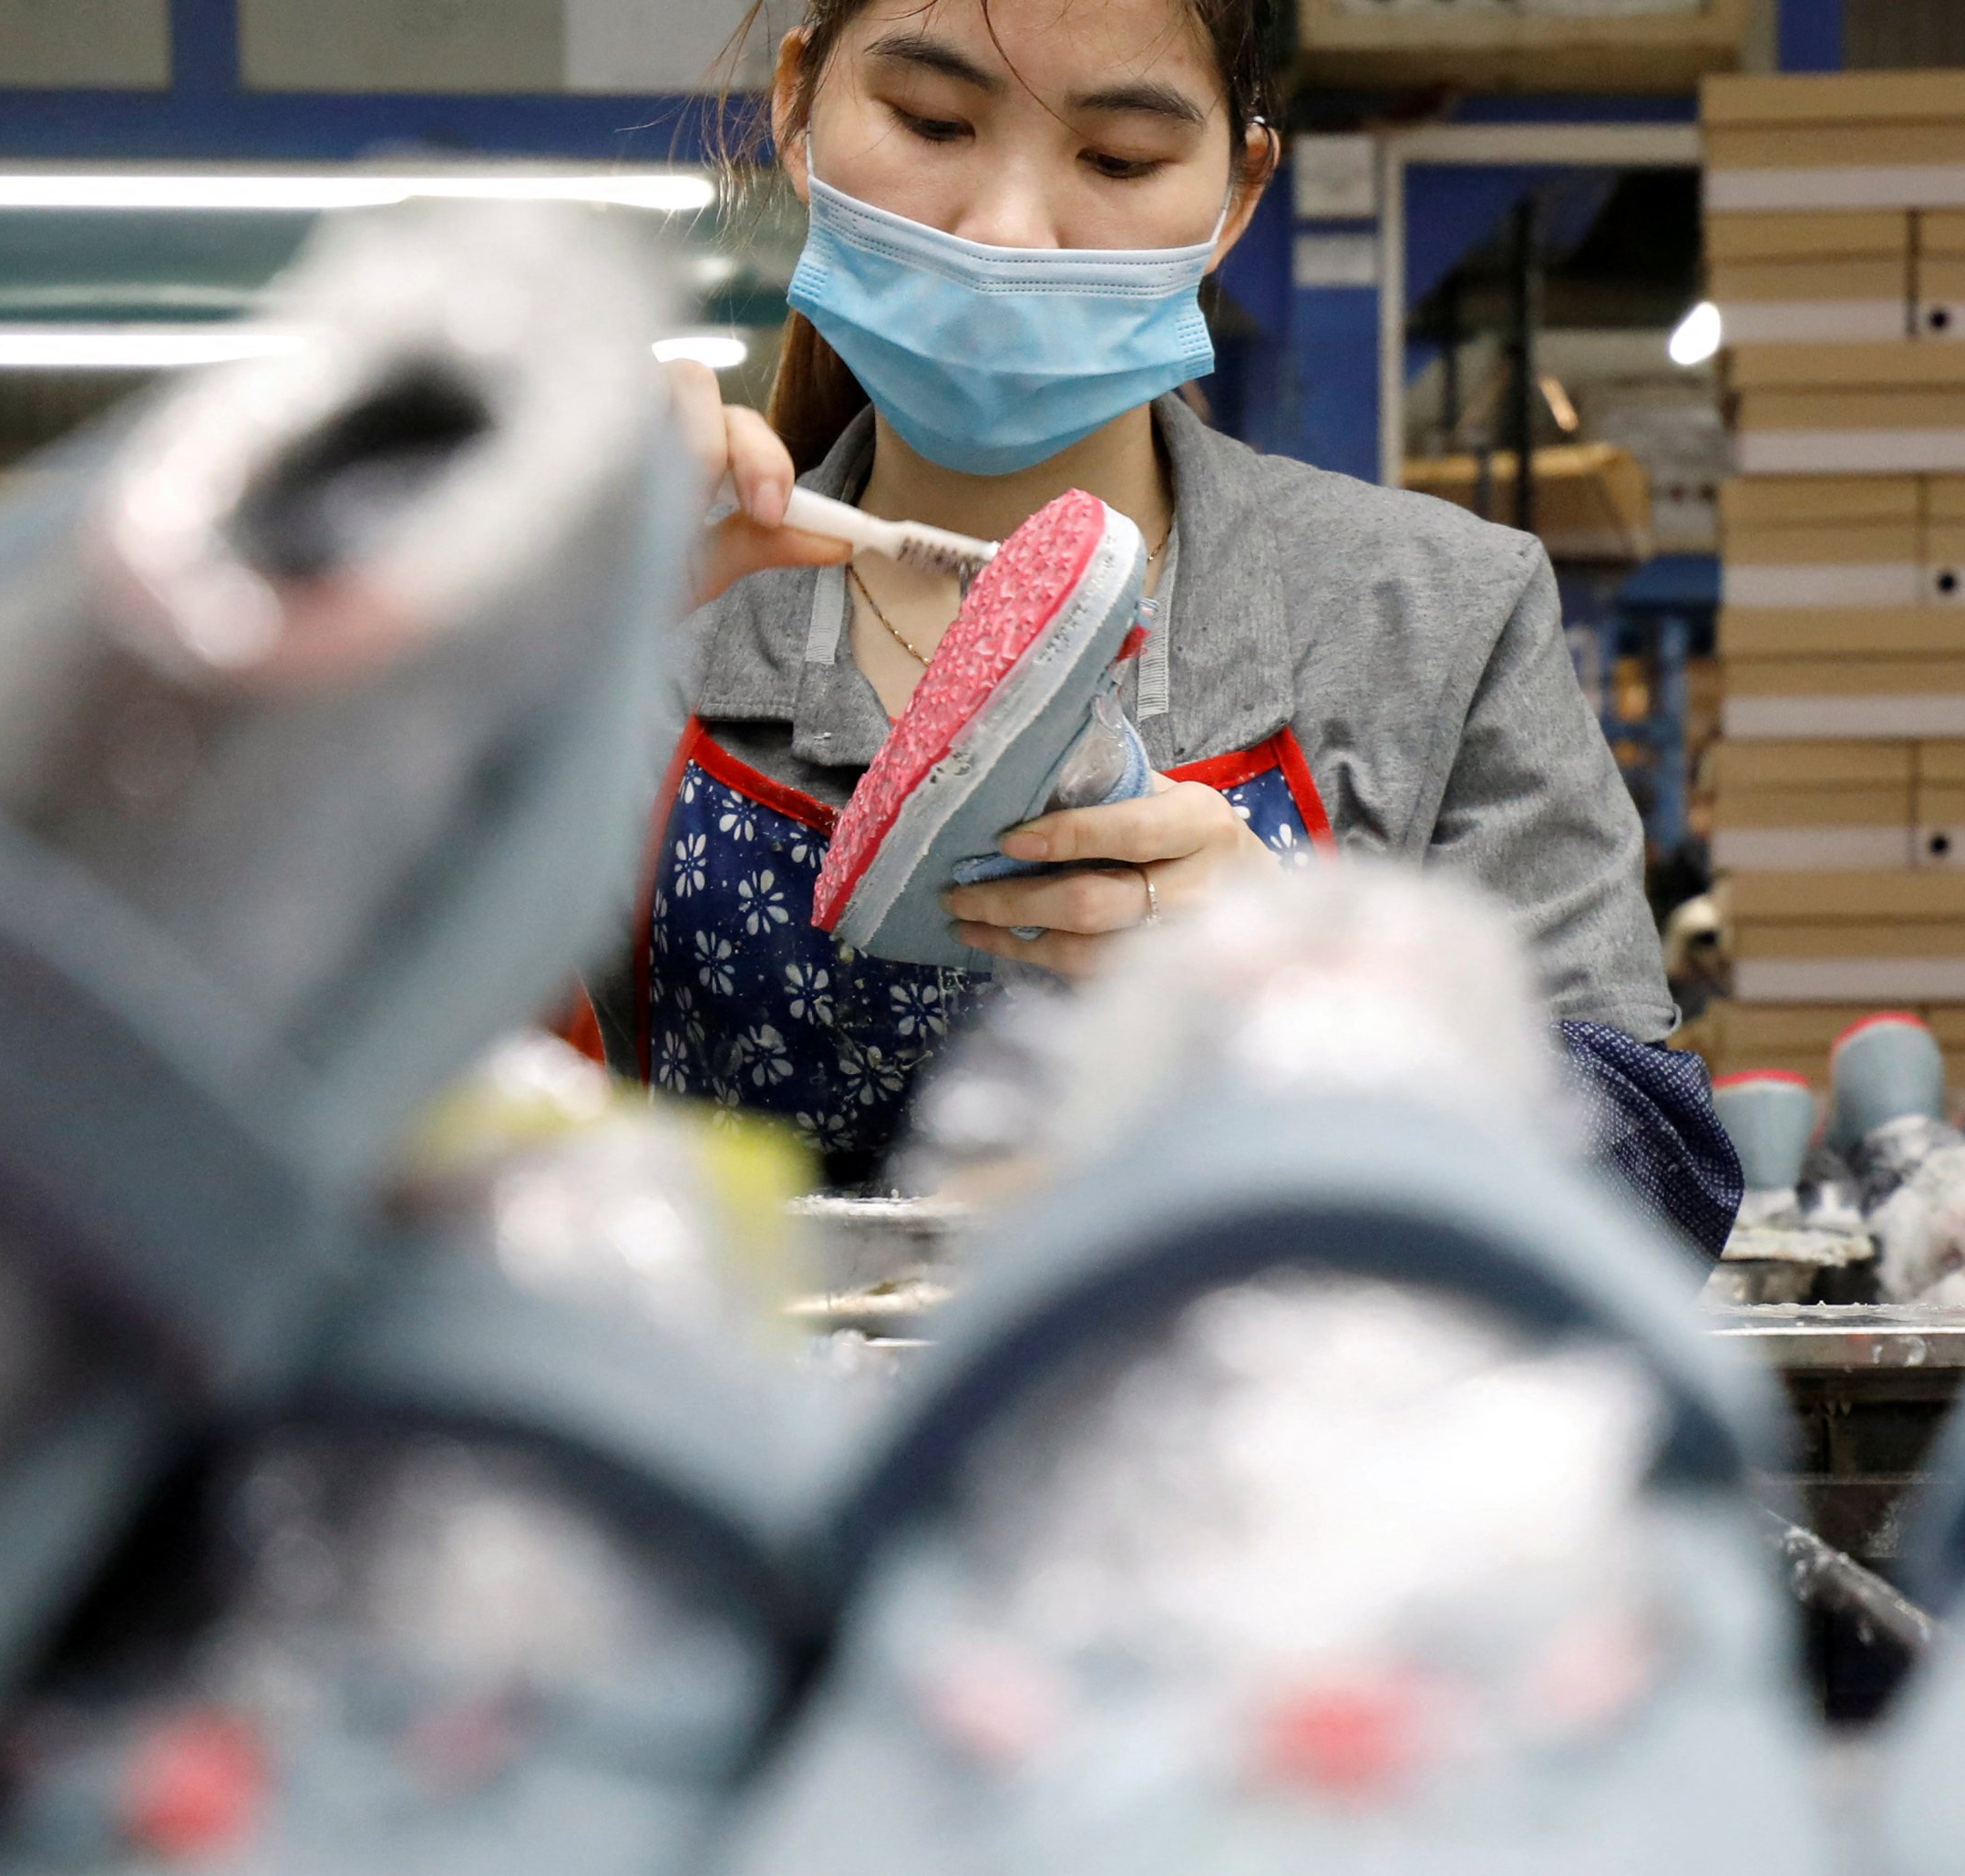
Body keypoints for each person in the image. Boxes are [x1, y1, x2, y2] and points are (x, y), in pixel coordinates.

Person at [647, 0, 1739, 1252]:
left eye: (1118, 159)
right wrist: (523, 646)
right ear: (798, 109)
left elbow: (1657, 1190)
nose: (1009, 233)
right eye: (933, 122)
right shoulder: (648, 616)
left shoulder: (1436, 620)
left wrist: (1322, 1006)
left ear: (1237, 194)